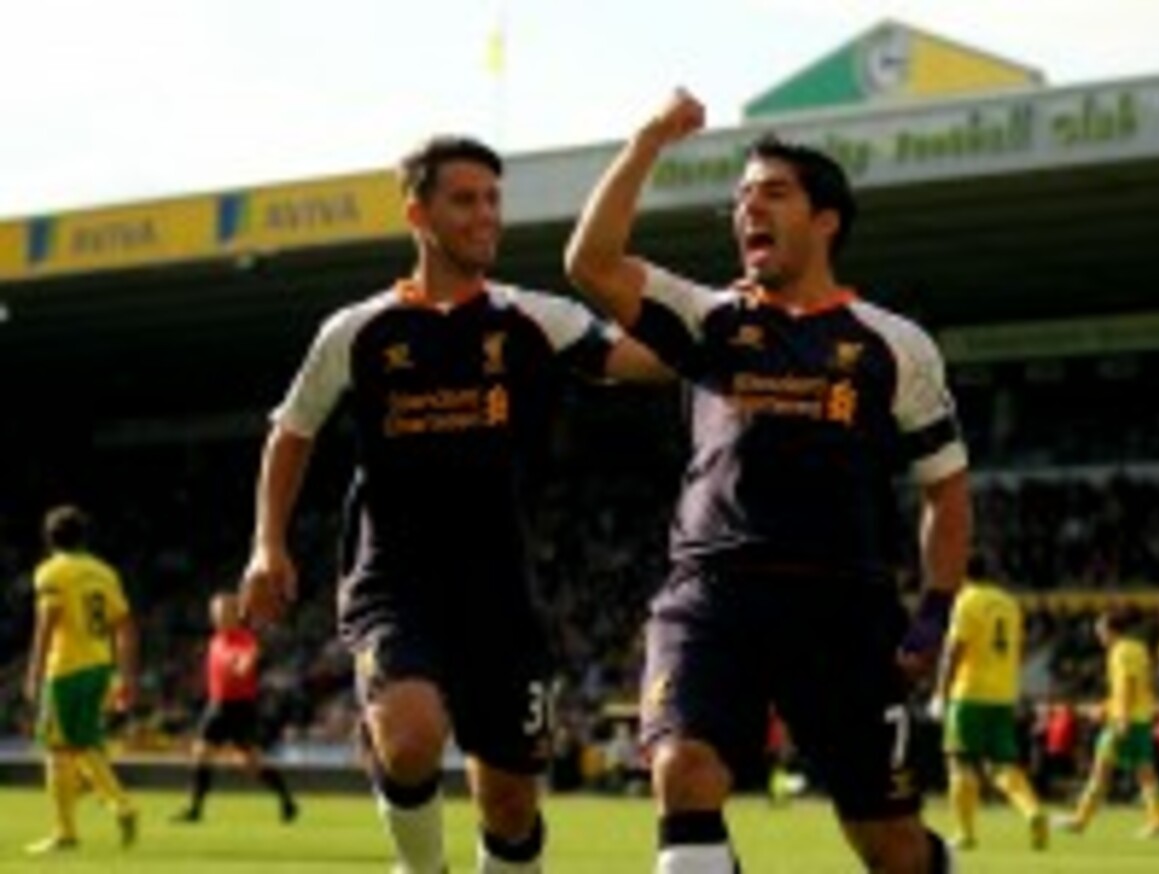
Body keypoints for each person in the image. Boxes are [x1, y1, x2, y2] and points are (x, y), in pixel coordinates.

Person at [565, 88, 971, 874]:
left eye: (774, 193)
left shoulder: (895, 345)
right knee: (683, 772)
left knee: (889, 845)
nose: (750, 208)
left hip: (843, 606)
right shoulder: (708, 321)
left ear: (826, 220)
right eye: (742, 197)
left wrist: (932, 616)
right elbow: (591, 263)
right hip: (711, 595)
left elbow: (946, 490)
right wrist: (648, 140)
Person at [239, 135, 666, 874]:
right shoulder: (357, 331)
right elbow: (292, 430)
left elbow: (644, 359)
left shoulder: (531, 318)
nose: (485, 215)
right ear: (418, 213)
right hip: (393, 582)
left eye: (493, 199)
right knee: (409, 739)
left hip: (498, 592)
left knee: (510, 804)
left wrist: (730, 329)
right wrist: (266, 544)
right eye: (465, 200)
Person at [22, 504, 138, 854]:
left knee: (58, 748)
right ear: (84, 536)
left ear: (48, 538)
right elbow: (125, 627)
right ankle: (105, 810)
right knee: (79, 744)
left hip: (66, 669)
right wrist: (126, 676)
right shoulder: (105, 572)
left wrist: (34, 672)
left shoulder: (51, 572)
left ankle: (78, 826)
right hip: (100, 666)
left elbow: (48, 622)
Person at [929, 558, 1047, 851]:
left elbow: (954, 649)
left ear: (963, 572)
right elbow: (1018, 649)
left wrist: (940, 693)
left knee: (959, 761)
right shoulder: (1009, 603)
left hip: (969, 693)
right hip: (1002, 695)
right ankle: (1032, 810)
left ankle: (966, 833)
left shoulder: (967, 601)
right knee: (1002, 765)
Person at [172, 591, 298, 824]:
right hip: (217, 705)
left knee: (249, 763)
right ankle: (195, 808)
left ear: (235, 614)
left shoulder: (244, 640)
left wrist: (245, 664)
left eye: (223, 612)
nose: (218, 617)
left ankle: (286, 800)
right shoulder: (216, 640)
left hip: (238, 707)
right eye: (215, 613)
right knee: (202, 753)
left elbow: (247, 661)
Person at [1055, 609, 1159, 839]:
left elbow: (1127, 684)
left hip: (1125, 720)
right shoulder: (1138, 649)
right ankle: (1157, 820)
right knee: (1143, 772)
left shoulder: (1120, 652)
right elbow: (1140, 685)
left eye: (1101, 632)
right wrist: (1106, 707)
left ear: (1111, 630)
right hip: (1139, 718)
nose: (1099, 637)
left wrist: (1121, 716)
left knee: (1104, 771)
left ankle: (1080, 820)